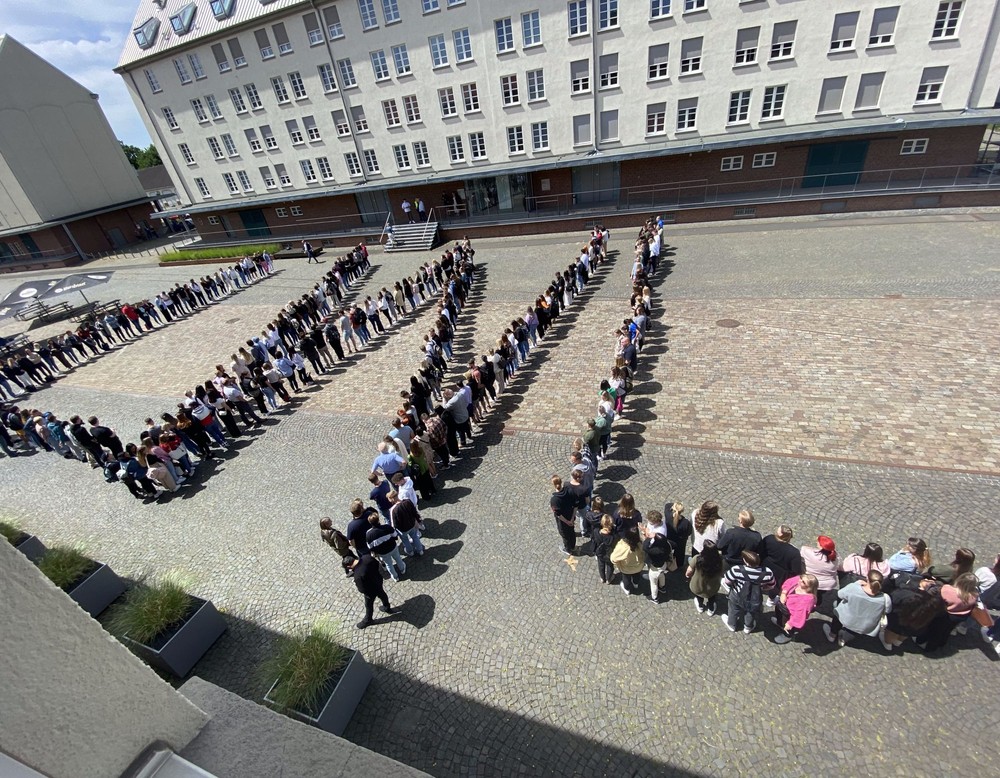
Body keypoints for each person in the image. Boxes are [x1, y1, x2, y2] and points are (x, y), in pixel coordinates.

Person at [825, 571, 892, 648]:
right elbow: (887, 610)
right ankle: (844, 639)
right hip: (865, 625)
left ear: (867, 579)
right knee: (858, 623)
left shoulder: (854, 588)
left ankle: (832, 635)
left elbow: (840, 594)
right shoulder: (885, 598)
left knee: (836, 604)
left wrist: (856, 583)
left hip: (848, 618)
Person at [721, 549, 774, 634]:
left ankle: (731, 624)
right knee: (751, 611)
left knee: (733, 609)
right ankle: (748, 627)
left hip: (737, 593)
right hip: (755, 596)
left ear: (746, 562)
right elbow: (771, 585)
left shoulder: (737, 569)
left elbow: (727, 581)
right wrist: (761, 589)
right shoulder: (767, 572)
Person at [343, 554, 394, 629]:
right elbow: (377, 564)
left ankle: (368, 620)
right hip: (378, 581)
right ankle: (387, 607)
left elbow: (362, 590)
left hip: (370, 591)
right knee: (382, 594)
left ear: (348, 566)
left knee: (368, 605)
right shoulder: (367, 557)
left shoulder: (357, 575)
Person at [758, 525, 803, 607]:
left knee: (761, 579)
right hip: (781, 573)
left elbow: (761, 550)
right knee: (775, 587)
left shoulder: (769, 539)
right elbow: (796, 570)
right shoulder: (794, 552)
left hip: (766, 564)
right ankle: (771, 600)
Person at [772, 574, 819, 644]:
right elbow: (788, 582)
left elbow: (799, 614)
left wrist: (790, 623)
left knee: (788, 626)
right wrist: (784, 593)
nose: (799, 580)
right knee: (779, 614)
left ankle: (787, 635)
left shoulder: (807, 600)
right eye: (801, 578)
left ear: (809, 587)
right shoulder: (798, 581)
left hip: (791, 614)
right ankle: (780, 623)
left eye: (803, 582)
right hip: (783, 605)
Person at [801, 535, 839, 616]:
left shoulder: (810, 553)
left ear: (821, 547)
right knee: (818, 594)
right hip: (824, 584)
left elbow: (803, 549)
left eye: (818, 542)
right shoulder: (835, 558)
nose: (816, 542)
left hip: (811, 579)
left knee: (806, 591)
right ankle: (815, 603)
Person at [642, 511, 674, 602]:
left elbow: (645, 547)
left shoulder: (654, 551)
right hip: (662, 565)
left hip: (655, 568)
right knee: (661, 575)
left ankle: (654, 598)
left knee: (653, 584)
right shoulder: (666, 546)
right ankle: (662, 587)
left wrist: (646, 534)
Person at [366, 511, 406, 582]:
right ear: (378, 520)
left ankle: (395, 577)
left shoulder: (369, 534)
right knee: (398, 558)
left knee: (389, 564)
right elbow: (395, 535)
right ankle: (402, 569)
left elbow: (370, 547)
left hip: (383, 552)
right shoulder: (387, 527)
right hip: (392, 547)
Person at [687, 541, 725, 615]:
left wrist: (688, 575)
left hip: (698, 584)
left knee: (699, 596)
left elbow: (689, 571)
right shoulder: (720, 561)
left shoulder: (697, 558)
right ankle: (711, 609)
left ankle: (700, 606)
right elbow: (723, 573)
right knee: (712, 597)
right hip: (712, 585)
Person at [388, 489, 425, 557]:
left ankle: (410, 552)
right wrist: (419, 521)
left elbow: (394, 524)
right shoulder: (407, 501)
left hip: (403, 529)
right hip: (412, 524)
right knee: (415, 537)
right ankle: (420, 550)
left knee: (405, 540)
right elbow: (415, 512)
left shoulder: (393, 509)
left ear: (392, 499)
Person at [611, 527, 646, 595]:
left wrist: (618, 564)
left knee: (626, 579)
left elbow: (613, 558)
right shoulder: (641, 544)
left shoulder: (623, 546)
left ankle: (627, 589)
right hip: (638, 567)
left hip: (626, 568)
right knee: (637, 575)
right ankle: (636, 584)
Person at [550, 474, 578, 555]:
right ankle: (573, 546)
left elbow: (558, 514)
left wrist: (567, 521)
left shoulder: (554, 500)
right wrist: (572, 518)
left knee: (565, 535)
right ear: (561, 482)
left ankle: (568, 549)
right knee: (572, 532)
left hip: (563, 522)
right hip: (571, 516)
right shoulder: (570, 491)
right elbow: (576, 505)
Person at [592, 514, 617, 585]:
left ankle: (602, 578)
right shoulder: (613, 536)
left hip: (599, 552)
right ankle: (609, 579)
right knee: (609, 566)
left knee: (601, 565)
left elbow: (594, 541)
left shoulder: (596, 531)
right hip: (609, 554)